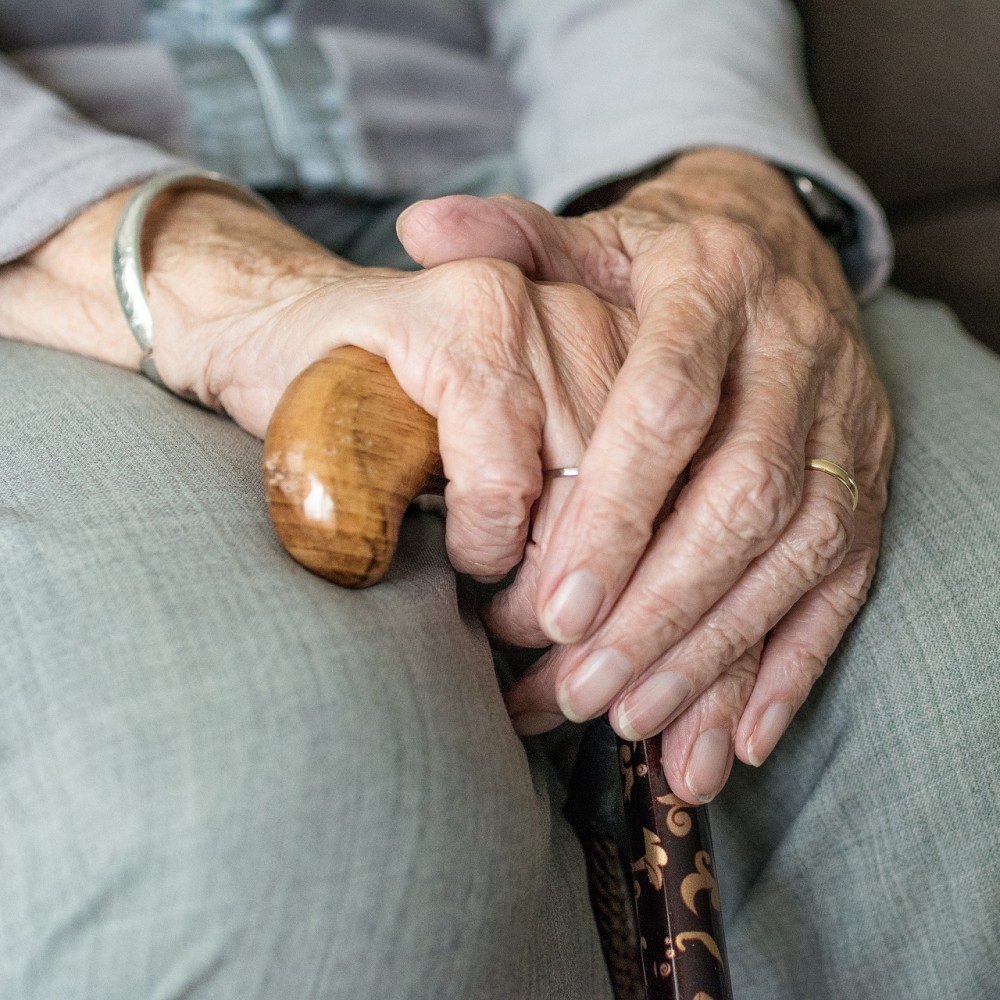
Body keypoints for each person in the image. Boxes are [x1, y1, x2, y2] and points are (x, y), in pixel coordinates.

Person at [0, 2, 996, 998]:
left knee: (965, 693)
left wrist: (721, 188)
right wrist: (224, 281)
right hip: (50, 238)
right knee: (273, 839)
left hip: (543, 177)